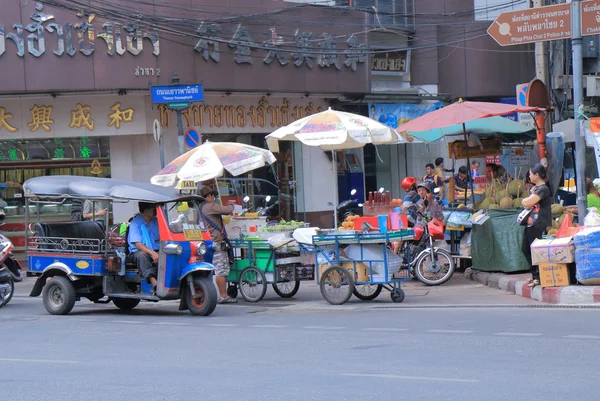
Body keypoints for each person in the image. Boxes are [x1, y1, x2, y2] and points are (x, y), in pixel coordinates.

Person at [199, 185, 237, 304]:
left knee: (217, 270)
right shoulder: (209, 206)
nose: (214, 198)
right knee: (221, 270)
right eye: (213, 195)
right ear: (208, 196)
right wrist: (232, 205)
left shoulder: (201, 208)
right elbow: (228, 210)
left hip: (209, 243)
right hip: (217, 243)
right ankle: (223, 295)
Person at [520, 163, 552, 288]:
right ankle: (535, 275)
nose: (529, 176)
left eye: (531, 174)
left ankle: (538, 276)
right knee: (526, 249)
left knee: (536, 251)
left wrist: (524, 201)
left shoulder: (543, 189)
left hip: (538, 223)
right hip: (530, 224)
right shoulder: (536, 189)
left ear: (537, 175)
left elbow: (527, 203)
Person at [127, 202, 160, 289]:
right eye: (153, 209)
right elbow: (138, 244)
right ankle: (154, 282)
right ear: (146, 211)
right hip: (137, 252)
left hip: (155, 250)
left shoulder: (156, 222)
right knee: (142, 255)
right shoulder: (135, 223)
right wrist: (152, 253)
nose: (156, 211)